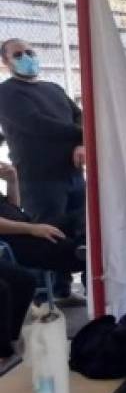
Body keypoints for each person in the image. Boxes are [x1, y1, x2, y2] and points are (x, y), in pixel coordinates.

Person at [0, 37, 86, 306]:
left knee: (81, 227)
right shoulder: (7, 93)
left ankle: (86, 285)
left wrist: (82, 143)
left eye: (29, 51)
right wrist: (84, 134)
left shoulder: (53, 88)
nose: (26, 56)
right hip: (39, 178)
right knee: (46, 234)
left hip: (72, 173)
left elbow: (79, 115)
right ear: (5, 62)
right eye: (18, 54)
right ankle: (45, 299)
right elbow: (38, 125)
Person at [0, 161, 84, 279]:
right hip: (15, 240)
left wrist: (12, 181)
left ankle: (85, 245)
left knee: (80, 216)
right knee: (71, 251)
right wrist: (32, 229)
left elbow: (13, 209)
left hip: (27, 226)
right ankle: (85, 252)